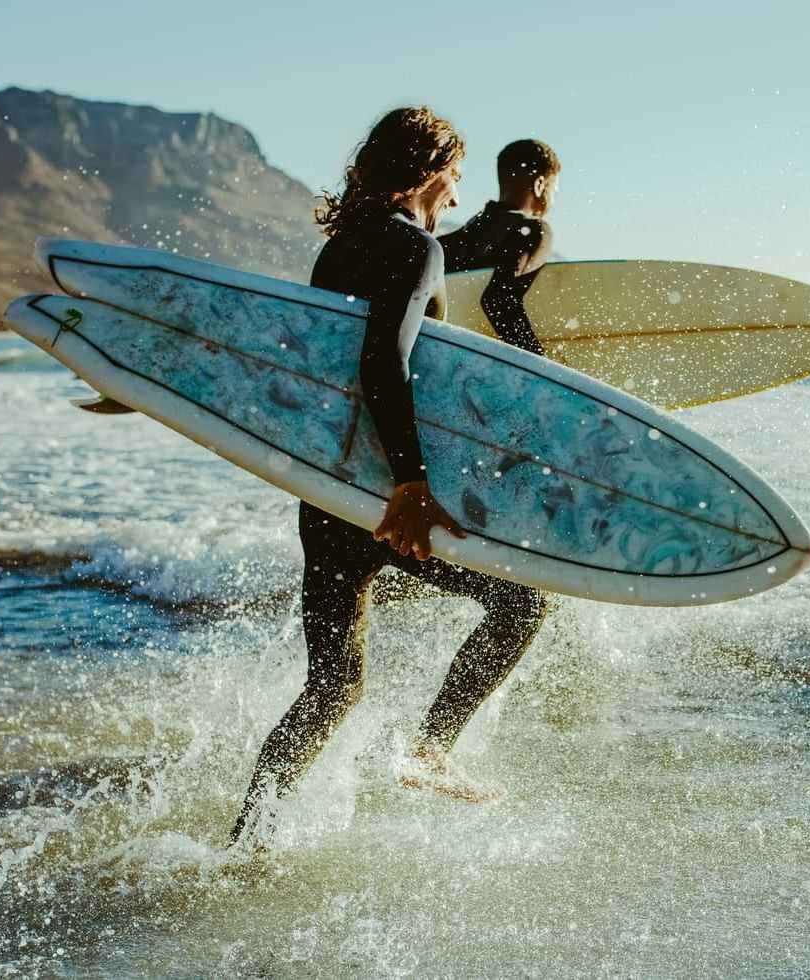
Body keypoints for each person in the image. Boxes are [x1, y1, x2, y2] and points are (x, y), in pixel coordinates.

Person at [231, 108, 549, 842]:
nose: (458, 196)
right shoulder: (414, 248)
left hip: (329, 490)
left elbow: (326, 366)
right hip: (385, 493)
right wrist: (410, 484)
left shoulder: (341, 247)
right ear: (431, 172)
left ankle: (247, 841)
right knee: (522, 603)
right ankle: (432, 750)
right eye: (456, 178)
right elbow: (385, 361)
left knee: (332, 689)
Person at [437, 138, 561, 353]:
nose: (553, 200)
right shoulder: (535, 230)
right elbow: (498, 299)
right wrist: (537, 362)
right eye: (555, 191)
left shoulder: (451, 241)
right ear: (540, 185)